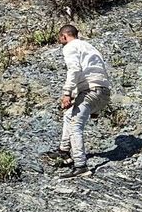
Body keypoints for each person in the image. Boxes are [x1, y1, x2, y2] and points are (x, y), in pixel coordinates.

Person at [45, 23, 112, 178]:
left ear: (64, 36)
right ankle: (63, 151)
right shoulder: (90, 48)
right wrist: (95, 106)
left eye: (60, 38)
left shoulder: (70, 47)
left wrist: (67, 93)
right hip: (103, 92)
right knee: (69, 115)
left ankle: (81, 166)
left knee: (76, 126)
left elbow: (74, 70)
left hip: (90, 91)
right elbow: (94, 71)